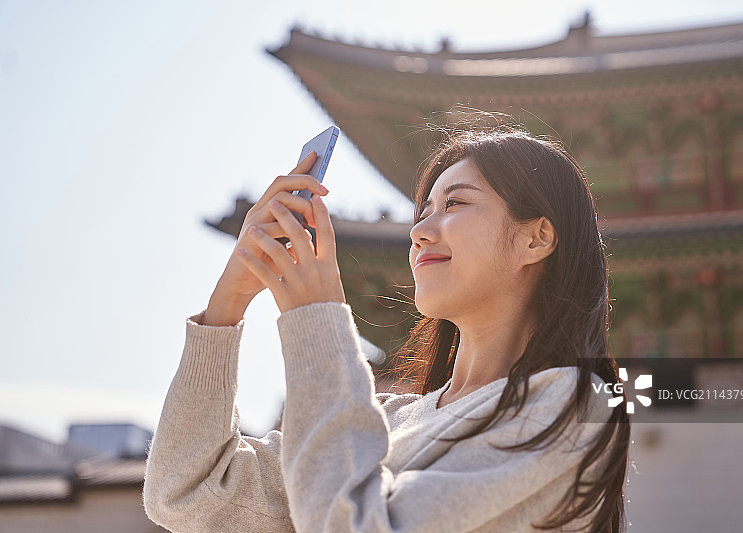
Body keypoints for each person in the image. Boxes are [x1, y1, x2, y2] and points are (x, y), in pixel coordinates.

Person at [143, 124, 631, 532]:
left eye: (456, 204)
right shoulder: (388, 418)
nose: (419, 231)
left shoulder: (572, 403)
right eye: (423, 212)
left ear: (536, 237)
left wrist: (316, 320)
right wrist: (225, 311)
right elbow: (184, 492)